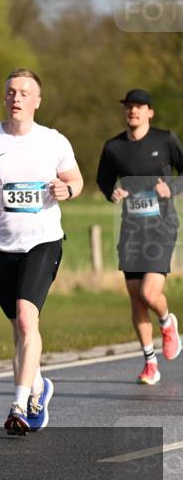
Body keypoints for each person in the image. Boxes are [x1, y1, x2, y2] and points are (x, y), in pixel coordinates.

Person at [0, 68, 83, 435]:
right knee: (18, 328)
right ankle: (39, 386)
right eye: (11, 92)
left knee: (27, 319)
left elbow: (77, 180)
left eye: (25, 92)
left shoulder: (54, 141)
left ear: (37, 101)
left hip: (43, 241)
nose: (17, 97)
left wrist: (67, 191)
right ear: (4, 98)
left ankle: (20, 404)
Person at [96, 88, 183, 385]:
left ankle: (167, 322)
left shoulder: (165, 139)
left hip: (162, 226)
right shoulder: (113, 148)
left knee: (149, 293)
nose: (133, 112)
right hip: (132, 229)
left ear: (150, 112)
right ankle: (150, 363)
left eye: (139, 107)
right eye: (129, 107)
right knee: (136, 300)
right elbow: (103, 180)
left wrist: (171, 189)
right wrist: (113, 192)